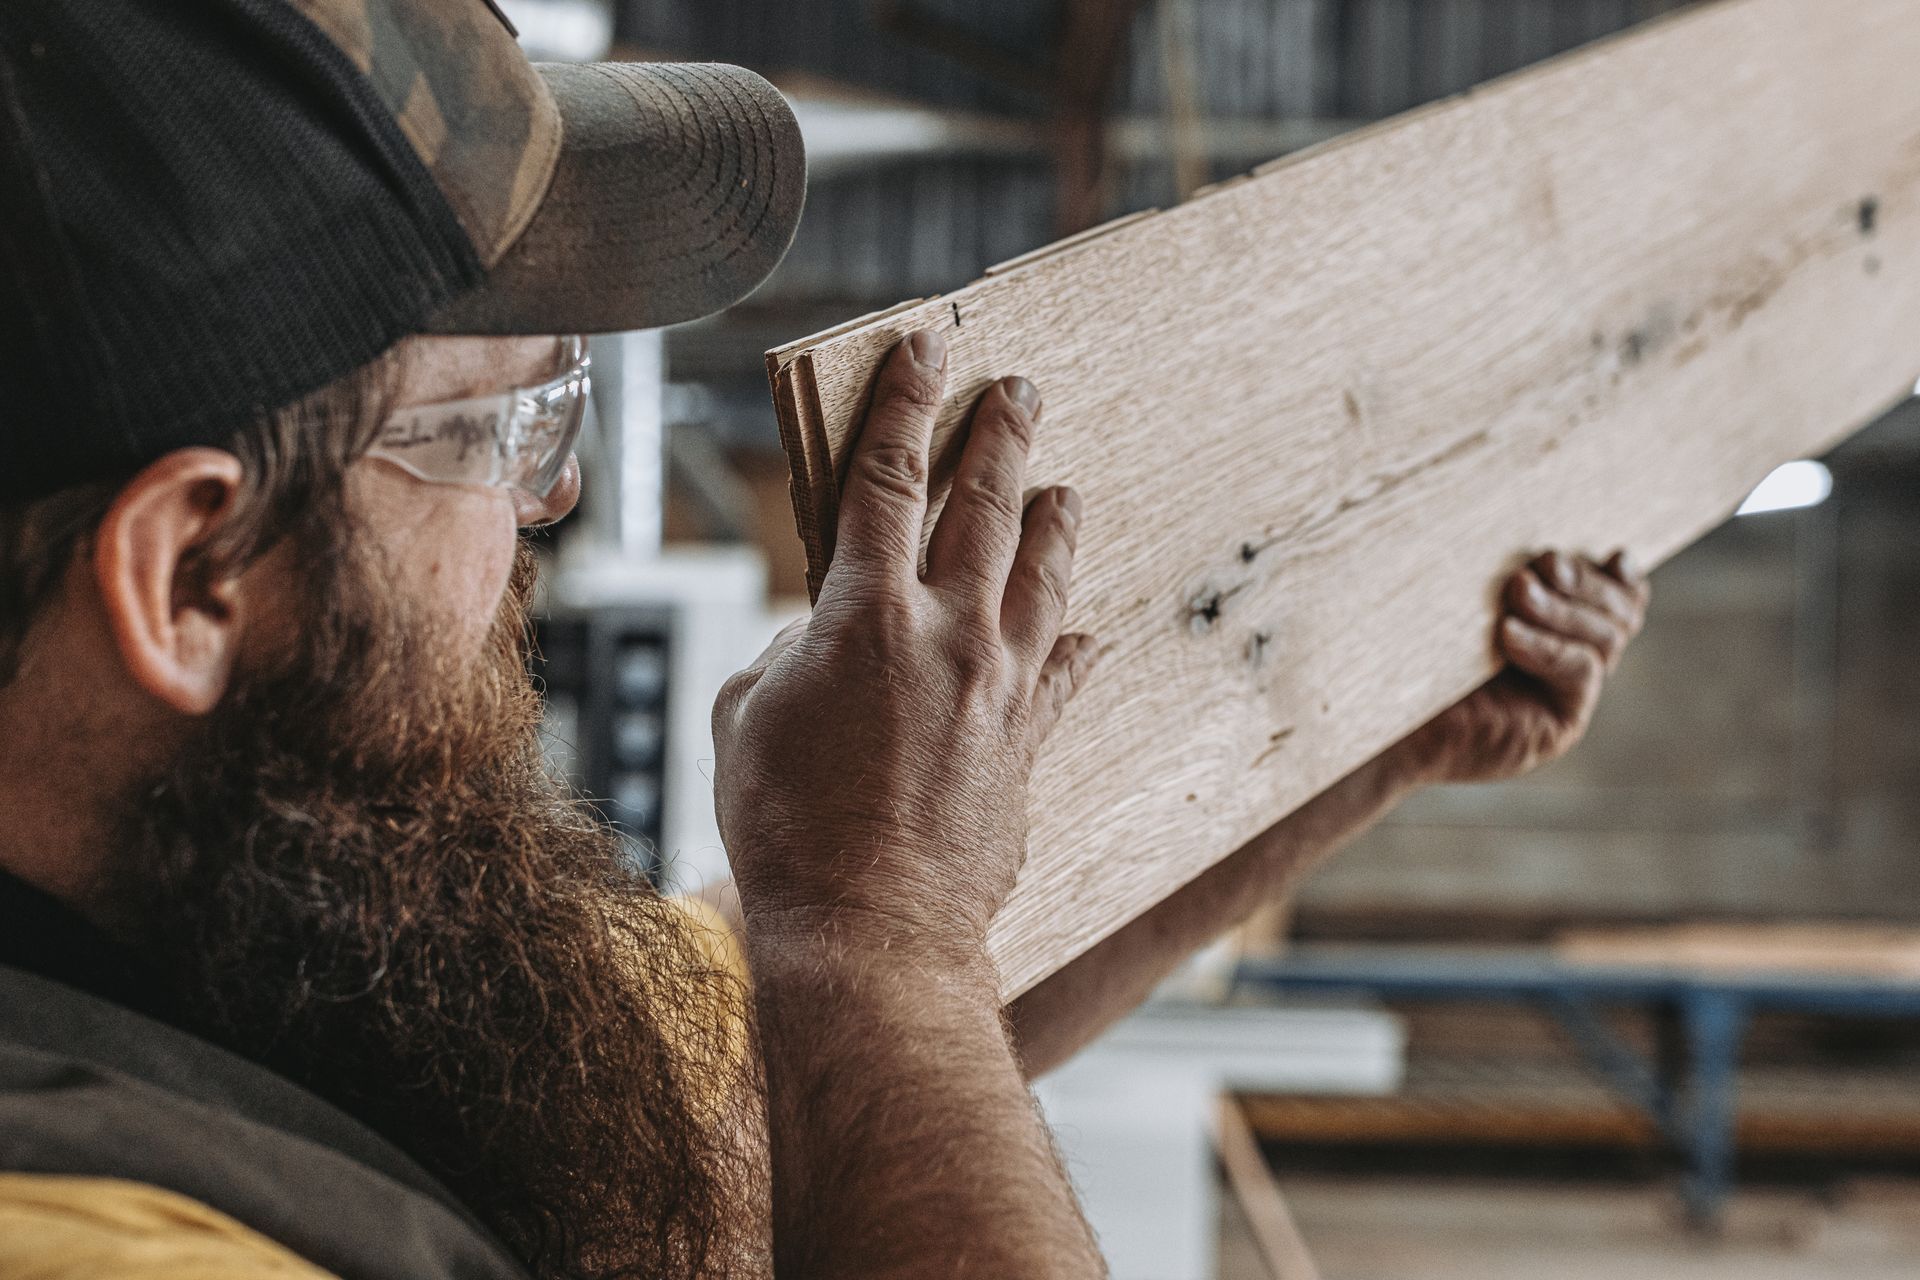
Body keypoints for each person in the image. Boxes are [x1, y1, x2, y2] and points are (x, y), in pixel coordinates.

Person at [0, 1, 1649, 1277]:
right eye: (490, 432)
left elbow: (739, 1094)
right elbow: (841, 998)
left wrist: (1381, 728)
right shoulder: (77, 1230)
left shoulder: (225, 955)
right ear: (192, 574)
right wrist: (871, 932)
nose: (551, 504)